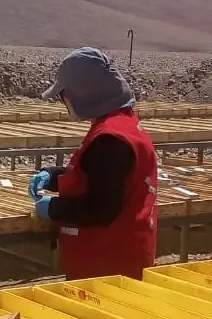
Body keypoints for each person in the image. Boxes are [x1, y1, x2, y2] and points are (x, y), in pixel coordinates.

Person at [29, 47, 158, 279]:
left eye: (63, 95)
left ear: (82, 93)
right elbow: (97, 176)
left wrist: (54, 208)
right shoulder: (121, 127)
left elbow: (101, 208)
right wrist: (53, 176)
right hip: (121, 257)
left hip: (107, 264)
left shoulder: (110, 140)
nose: (63, 101)